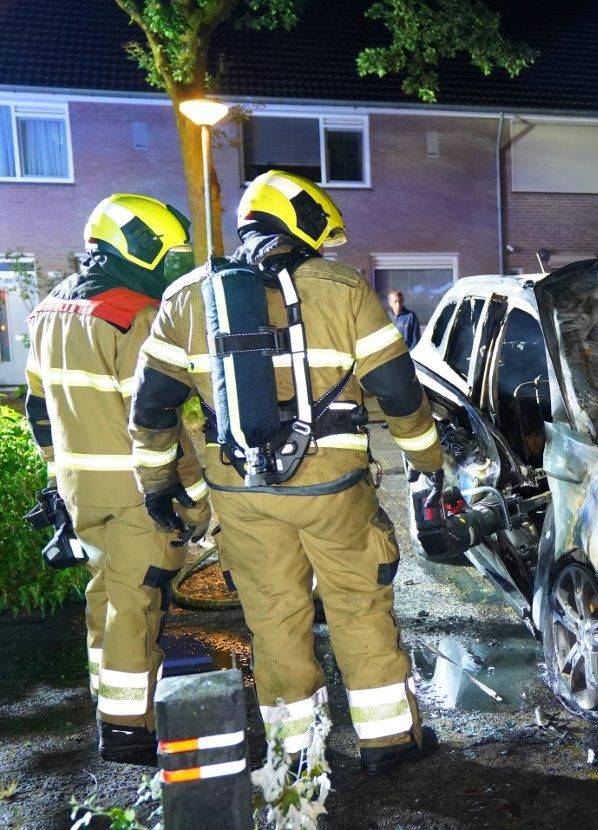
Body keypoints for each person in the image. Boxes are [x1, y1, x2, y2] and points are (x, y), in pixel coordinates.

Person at [129, 170, 445, 774]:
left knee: (273, 614)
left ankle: (294, 755)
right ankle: (388, 744)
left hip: (240, 492)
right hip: (332, 490)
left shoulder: (187, 297)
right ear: (300, 223)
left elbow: (151, 407)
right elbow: (399, 393)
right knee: (357, 604)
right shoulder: (343, 287)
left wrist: (159, 485)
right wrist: (427, 463)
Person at [24, 193, 210, 765]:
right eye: (169, 250)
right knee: (136, 605)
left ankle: (111, 705)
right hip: (140, 495)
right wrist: (199, 498)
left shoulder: (49, 310)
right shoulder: (136, 314)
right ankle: (129, 730)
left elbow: (37, 408)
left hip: (83, 493)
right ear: (139, 247)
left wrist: (61, 474)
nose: (177, 260)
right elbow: (155, 419)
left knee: (105, 598)